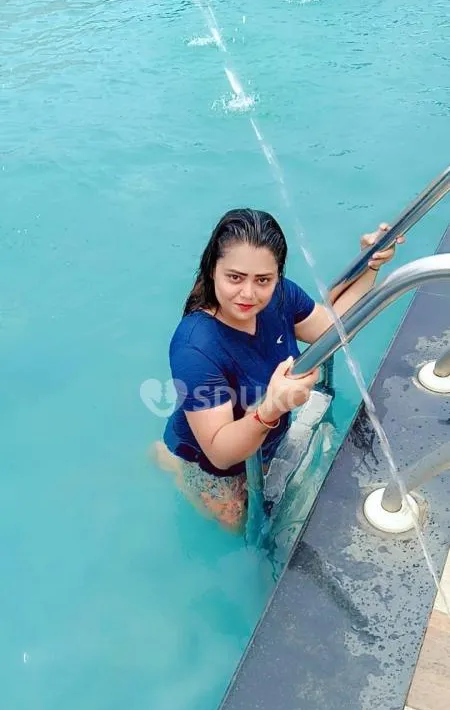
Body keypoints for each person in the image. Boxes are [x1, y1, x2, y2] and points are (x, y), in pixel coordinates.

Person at [155, 208, 404, 532]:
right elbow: (220, 452)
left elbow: (330, 330)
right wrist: (272, 407)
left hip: (262, 438)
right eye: (235, 277)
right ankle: (171, 462)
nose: (248, 294)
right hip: (210, 462)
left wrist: (370, 266)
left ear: (277, 275)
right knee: (237, 528)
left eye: (263, 279)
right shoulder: (195, 347)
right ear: (212, 270)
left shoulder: (279, 296)